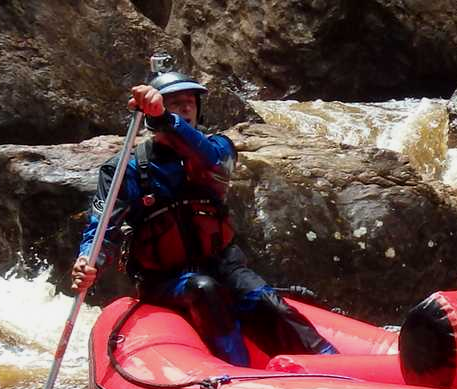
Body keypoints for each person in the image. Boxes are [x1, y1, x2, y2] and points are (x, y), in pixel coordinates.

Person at [72, 72, 335, 366]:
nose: (184, 109)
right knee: (204, 290)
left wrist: (166, 119)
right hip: (165, 279)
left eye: (188, 103)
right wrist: (89, 261)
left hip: (223, 264)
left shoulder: (219, 149)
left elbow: (211, 160)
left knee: (265, 302)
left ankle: (335, 368)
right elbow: (102, 228)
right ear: (149, 116)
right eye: (173, 103)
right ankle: (240, 375)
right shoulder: (126, 168)